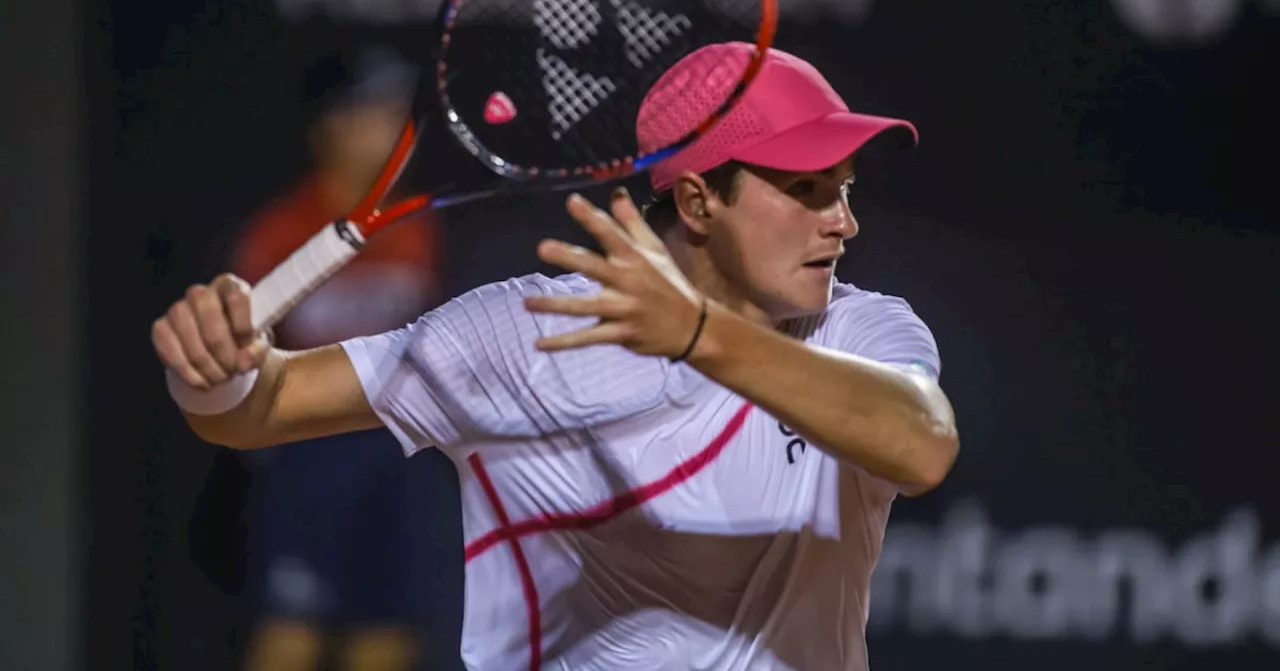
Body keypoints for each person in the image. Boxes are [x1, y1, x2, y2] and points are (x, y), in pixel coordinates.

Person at [153, 41, 959, 670]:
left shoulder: (864, 333)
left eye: (846, 189)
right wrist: (213, 373)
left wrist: (698, 335)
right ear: (698, 199)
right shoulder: (522, 335)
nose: (843, 222)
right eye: (809, 190)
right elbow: (262, 408)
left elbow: (921, 444)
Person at [224, 45, 446, 671]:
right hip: (307, 459)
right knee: (290, 635)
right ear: (330, 125)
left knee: (389, 637)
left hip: (397, 453)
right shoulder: (279, 232)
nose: (391, 126)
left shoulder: (419, 226)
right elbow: (238, 363)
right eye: (373, 111)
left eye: (397, 111)